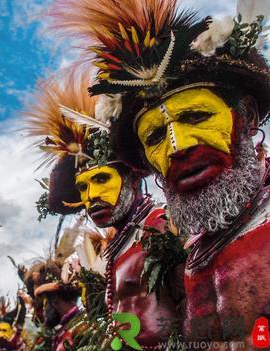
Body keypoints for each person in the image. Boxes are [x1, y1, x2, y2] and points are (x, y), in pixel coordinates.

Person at [49, 0, 270, 346]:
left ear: (248, 116)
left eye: (196, 116)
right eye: (154, 136)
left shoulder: (160, 232)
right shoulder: (195, 249)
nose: (177, 146)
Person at [25, 67, 185, 348]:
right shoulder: (117, 245)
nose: (91, 196)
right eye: (83, 187)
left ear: (134, 178)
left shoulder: (163, 226)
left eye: (101, 179)